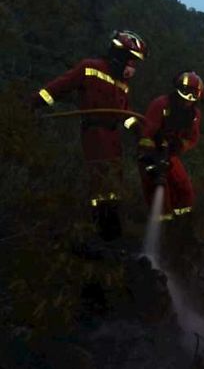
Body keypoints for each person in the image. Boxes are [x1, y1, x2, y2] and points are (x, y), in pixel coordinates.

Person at [30, 30, 147, 241]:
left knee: (114, 183)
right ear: (119, 55)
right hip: (95, 132)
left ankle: (112, 231)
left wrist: (141, 133)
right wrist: (33, 103)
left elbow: (125, 114)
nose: (132, 67)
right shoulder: (90, 68)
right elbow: (58, 88)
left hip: (113, 136)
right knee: (101, 181)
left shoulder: (123, 85)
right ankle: (99, 230)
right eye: (131, 60)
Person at [137, 71, 204, 257]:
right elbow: (145, 136)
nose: (189, 99)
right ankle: (159, 242)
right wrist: (152, 158)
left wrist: (180, 145)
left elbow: (192, 138)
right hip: (150, 154)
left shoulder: (194, 114)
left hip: (171, 154)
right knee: (159, 194)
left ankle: (183, 232)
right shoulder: (161, 104)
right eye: (186, 92)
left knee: (185, 189)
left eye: (194, 95)